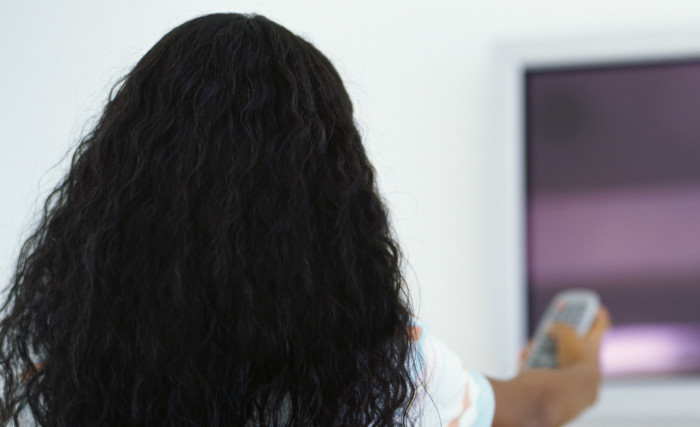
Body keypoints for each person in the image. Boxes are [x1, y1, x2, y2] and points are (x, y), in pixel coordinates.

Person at [0, 13, 608, 427]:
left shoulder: (46, 386)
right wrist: (576, 358)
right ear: (335, 200)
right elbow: (536, 407)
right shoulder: (388, 375)